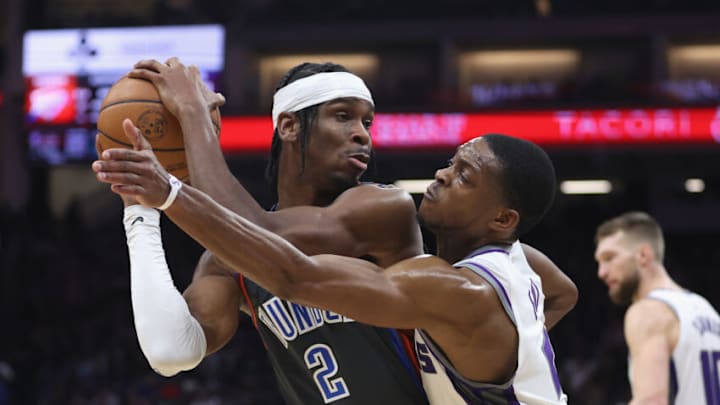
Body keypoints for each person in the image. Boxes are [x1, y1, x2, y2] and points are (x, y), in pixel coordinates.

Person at [95, 110, 571, 405]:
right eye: (452, 162)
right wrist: (496, 358)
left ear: (503, 219)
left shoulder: (454, 290)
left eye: (466, 177)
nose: (443, 175)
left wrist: (169, 193)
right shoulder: (520, 261)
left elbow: (295, 277)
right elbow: (565, 294)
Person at [594, 211, 720, 405]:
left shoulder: (648, 311)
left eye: (610, 258)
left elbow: (651, 401)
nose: (601, 272)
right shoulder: (707, 310)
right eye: (599, 262)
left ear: (643, 255)